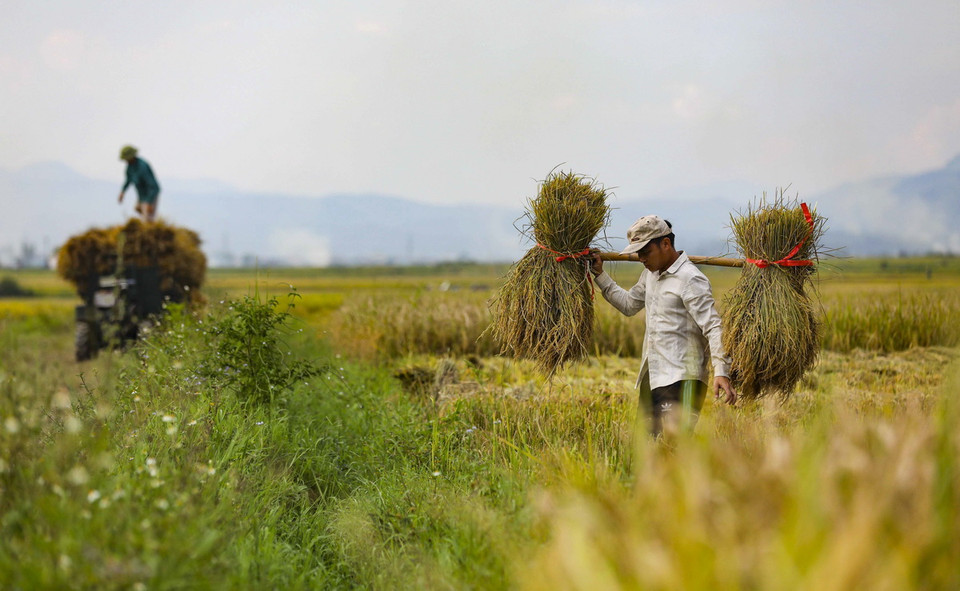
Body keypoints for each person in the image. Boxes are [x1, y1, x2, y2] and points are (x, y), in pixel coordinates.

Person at [590, 215, 737, 437]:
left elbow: (713, 327)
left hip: (683, 378)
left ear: (666, 244)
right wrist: (600, 275)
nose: (641, 258)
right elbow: (629, 305)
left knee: (671, 446)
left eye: (645, 252)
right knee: (648, 447)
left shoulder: (690, 279)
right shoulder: (649, 275)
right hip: (654, 375)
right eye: (638, 253)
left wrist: (721, 371)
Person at [118, 145, 160, 222]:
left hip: (150, 193)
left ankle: (149, 223)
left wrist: (150, 202)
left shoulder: (142, 166)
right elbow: (128, 180)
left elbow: (152, 186)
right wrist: (123, 191)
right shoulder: (130, 167)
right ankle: (149, 220)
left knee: (146, 212)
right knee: (138, 208)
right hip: (141, 194)